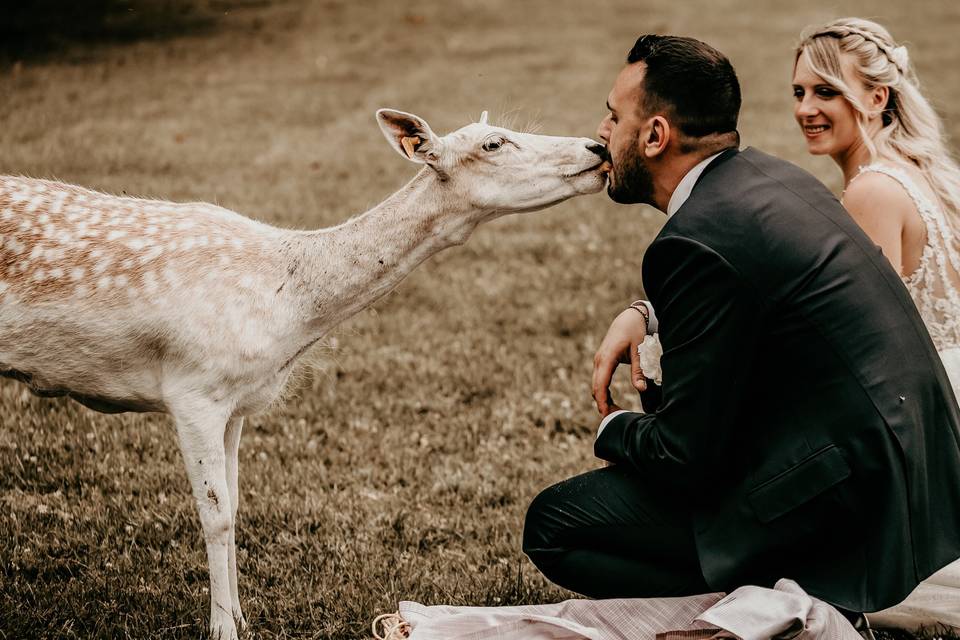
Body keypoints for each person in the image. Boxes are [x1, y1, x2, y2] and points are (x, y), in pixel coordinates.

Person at [521, 33, 960, 624]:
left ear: (655, 136)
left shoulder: (691, 242)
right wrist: (652, 324)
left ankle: (781, 607)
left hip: (848, 500)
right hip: (905, 462)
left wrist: (615, 429)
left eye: (612, 115)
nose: (602, 133)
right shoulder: (772, 178)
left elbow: (685, 457)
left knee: (556, 523)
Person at [792, 18, 960, 630]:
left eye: (826, 92)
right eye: (799, 93)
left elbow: (857, 353)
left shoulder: (872, 194)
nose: (807, 109)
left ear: (877, 97)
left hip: (925, 421)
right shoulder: (930, 176)